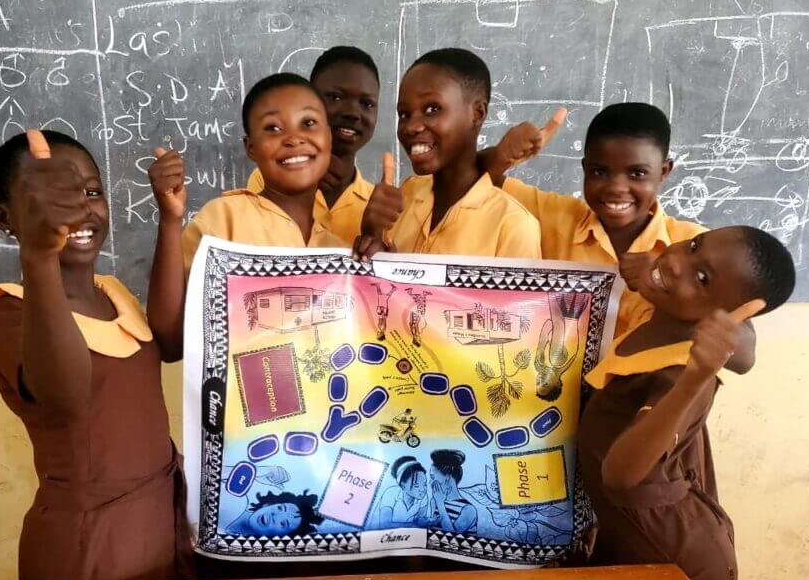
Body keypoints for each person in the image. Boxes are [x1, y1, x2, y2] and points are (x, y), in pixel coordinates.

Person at [0, 130, 191, 580]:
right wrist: (38, 256)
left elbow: (170, 344)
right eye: (51, 195)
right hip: (90, 545)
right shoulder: (8, 311)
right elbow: (64, 395)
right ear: (5, 217)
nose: (78, 207)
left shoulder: (110, 290)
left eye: (91, 191)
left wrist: (170, 221)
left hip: (161, 524)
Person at [577, 226, 796, 580]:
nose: (676, 261)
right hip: (627, 537)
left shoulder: (683, 371)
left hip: (673, 558)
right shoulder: (657, 321)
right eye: (694, 246)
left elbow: (621, 476)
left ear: (730, 315)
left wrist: (695, 379)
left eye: (702, 279)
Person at [480, 103, 756, 371]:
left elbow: (743, 357)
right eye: (599, 172)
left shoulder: (693, 247)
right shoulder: (558, 216)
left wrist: (660, 289)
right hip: (554, 396)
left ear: (664, 172)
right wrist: (500, 156)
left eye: (637, 173)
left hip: (637, 406)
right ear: (584, 168)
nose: (616, 187)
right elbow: (477, 180)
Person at [145, 72, 341, 358]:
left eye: (309, 123)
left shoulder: (341, 247)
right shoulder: (223, 220)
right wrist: (170, 221)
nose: (294, 138)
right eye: (273, 128)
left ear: (329, 135)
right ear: (250, 148)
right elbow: (172, 342)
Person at [353, 48, 541, 261]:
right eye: (404, 114)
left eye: (432, 109)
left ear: (477, 113)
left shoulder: (512, 225)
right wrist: (372, 240)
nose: (411, 127)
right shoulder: (404, 197)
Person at [247, 46, 380, 244]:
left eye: (367, 103)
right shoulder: (273, 179)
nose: (352, 112)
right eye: (335, 97)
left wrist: (374, 236)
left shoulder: (378, 205)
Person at [227, 490, 324, 537]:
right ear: (267, 504)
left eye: (283, 523)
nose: (275, 516)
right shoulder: (236, 498)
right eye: (280, 508)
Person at [428, 449, 477, 534]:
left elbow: (451, 538)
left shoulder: (468, 509)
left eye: (432, 477)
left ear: (448, 477)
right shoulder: (434, 501)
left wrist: (440, 503)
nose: (430, 482)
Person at [376, 456, 431, 528]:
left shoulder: (423, 497)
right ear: (402, 484)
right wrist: (413, 525)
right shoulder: (390, 493)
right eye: (416, 485)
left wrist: (430, 521)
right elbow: (384, 525)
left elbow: (420, 521)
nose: (422, 489)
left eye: (424, 484)